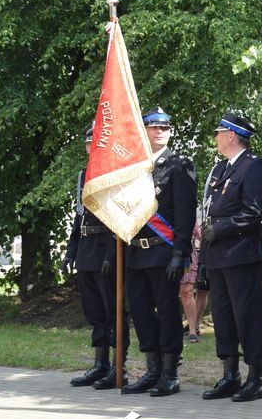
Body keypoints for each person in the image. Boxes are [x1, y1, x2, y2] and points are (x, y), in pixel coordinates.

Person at [121, 108, 196, 397]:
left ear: (171, 132)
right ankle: (151, 369)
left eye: (164, 127)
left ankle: (169, 372)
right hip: (135, 253)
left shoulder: (179, 165)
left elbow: (185, 213)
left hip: (163, 251)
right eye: (153, 127)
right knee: (140, 311)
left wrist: (180, 252)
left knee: (166, 311)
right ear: (144, 131)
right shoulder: (133, 167)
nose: (159, 131)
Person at [200, 112, 262, 403]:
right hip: (218, 255)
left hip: (241, 255)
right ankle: (230, 374)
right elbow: (208, 213)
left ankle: (255, 377)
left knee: (247, 316)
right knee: (222, 316)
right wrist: (204, 257)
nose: (216, 137)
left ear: (232, 135)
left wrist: (221, 229)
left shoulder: (253, 167)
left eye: (219, 132)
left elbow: (254, 211)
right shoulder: (220, 169)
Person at [64, 124, 129, 389]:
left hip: (107, 243)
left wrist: (112, 254)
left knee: (113, 310)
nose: (92, 148)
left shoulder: (116, 175)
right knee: (94, 312)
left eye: (96, 143)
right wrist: (71, 251)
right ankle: (99, 364)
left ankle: (118, 367)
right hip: (86, 245)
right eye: (88, 143)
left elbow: (121, 217)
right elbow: (79, 216)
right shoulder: (83, 175)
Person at [179, 224, 208, 343]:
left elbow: (198, 236)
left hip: (186, 258)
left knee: (187, 290)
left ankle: (192, 330)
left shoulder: (186, 210)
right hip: (165, 253)